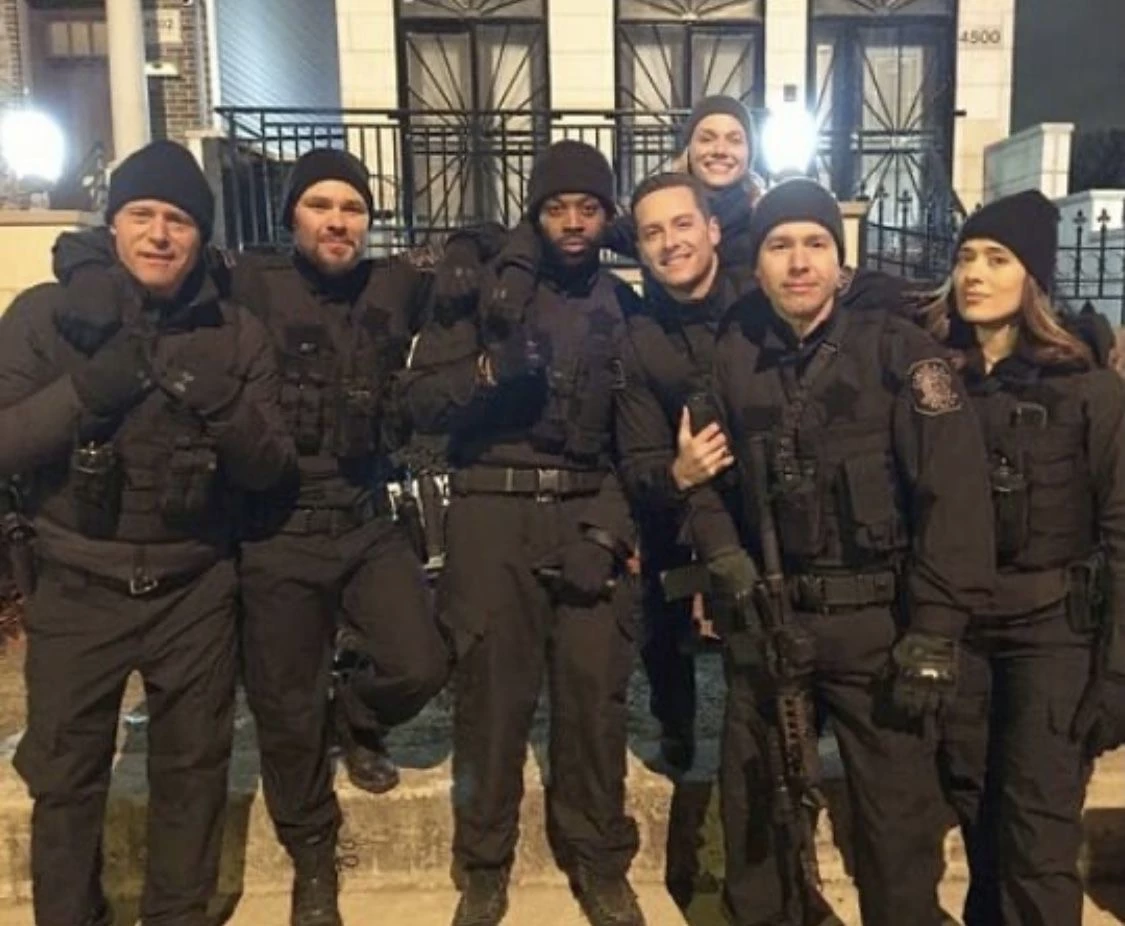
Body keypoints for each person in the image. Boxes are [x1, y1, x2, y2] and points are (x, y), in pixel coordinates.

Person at [52, 147, 455, 926]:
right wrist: (86, 268)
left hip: (366, 524)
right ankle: (313, 858)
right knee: (285, 710)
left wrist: (476, 256)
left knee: (421, 662)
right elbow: (147, 248)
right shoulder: (246, 279)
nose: (337, 221)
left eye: (352, 208)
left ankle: (356, 716)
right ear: (291, 215)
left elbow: (493, 252)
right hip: (276, 533)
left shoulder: (397, 283)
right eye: (319, 205)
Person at [682, 178, 996, 926]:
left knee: (896, 833)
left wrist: (934, 631)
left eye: (815, 244)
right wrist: (723, 556)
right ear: (757, 262)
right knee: (758, 818)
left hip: (879, 630)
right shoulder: (732, 355)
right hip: (770, 621)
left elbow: (953, 497)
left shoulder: (899, 354)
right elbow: (697, 480)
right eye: (779, 245)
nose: (799, 262)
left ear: (839, 259)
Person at [0, 140, 295, 926]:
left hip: (193, 588)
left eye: (178, 220)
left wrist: (224, 405)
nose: (159, 234)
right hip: (75, 584)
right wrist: (86, 394)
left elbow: (271, 468)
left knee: (192, 772)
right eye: (142, 215)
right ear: (114, 224)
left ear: (200, 235)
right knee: (65, 778)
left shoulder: (236, 332)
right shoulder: (45, 315)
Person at [400, 140, 644, 926]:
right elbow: (418, 403)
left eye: (587, 208)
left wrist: (607, 533)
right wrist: (484, 373)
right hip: (491, 514)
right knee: (489, 703)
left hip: (585, 509)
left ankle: (598, 862)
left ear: (606, 216)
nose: (572, 222)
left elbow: (639, 445)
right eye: (556, 208)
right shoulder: (485, 295)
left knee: (593, 702)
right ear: (533, 215)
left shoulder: (626, 308)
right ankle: (483, 866)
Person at [921, 190, 1125, 926]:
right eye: (965, 258)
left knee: (1036, 837)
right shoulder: (935, 387)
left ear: (1032, 277)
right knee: (979, 822)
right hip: (964, 635)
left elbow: (1121, 532)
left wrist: (1117, 673)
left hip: (1053, 636)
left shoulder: (1089, 391)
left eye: (997, 259)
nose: (974, 274)